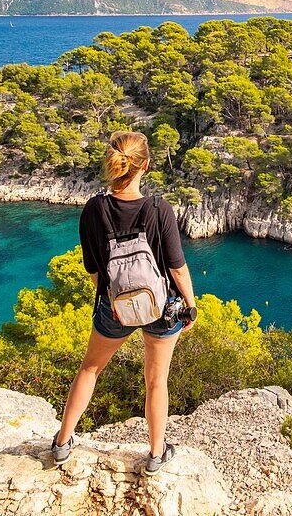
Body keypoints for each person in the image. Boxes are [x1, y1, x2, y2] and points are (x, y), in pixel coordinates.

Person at [51, 130, 197, 473]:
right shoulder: (159, 209)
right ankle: (156, 454)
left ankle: (62, 444)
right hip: (161, 308)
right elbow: (177, 268)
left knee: (90, 369)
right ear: (145, 165)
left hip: (113, 306)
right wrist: (190, 305)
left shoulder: (93, 209)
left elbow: (93, 269)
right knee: (156, 380)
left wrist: (112, 300)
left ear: (112, 164)